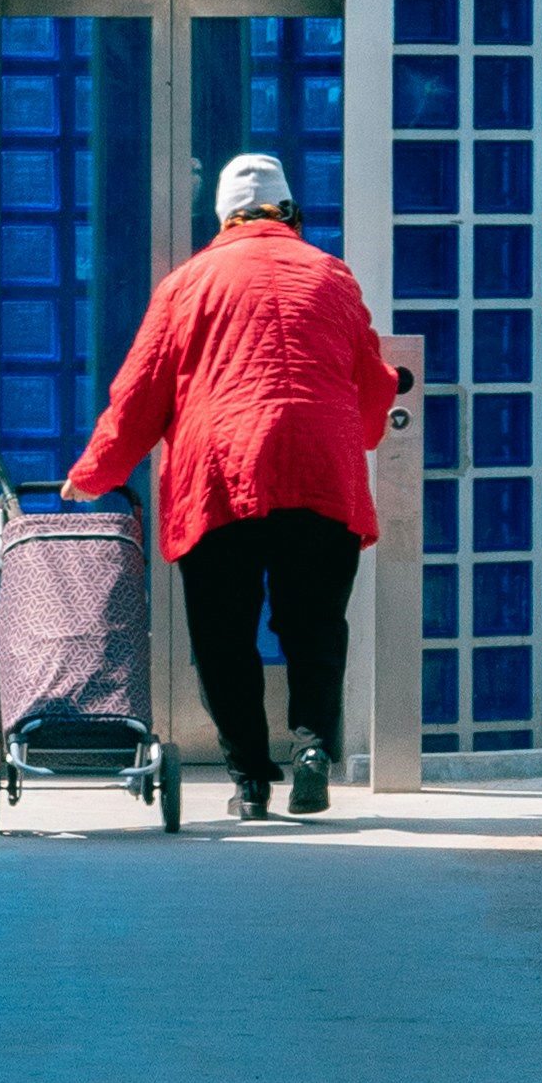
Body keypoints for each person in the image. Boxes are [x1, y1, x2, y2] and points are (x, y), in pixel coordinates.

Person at [68, 151, 405, 818]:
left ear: (223, 215)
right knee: (314, 625)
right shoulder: (332, 277)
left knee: (223, 634)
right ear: (287, 210)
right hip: (319, 473)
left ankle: (250, 780)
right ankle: (311, 746)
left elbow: (140, 397)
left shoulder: (187, 283)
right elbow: (373, 386)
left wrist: (94, 474)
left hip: (219, 478)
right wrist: (354, 436)